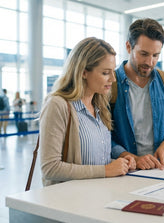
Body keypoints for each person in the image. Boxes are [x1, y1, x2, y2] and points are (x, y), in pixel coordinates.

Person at [39, 37, 136, 186]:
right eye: (105, 73)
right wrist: (106, 170)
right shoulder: (58, 105)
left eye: (113, 72)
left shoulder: (100, 107)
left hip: (97, 197)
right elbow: (50, 168)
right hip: (70, 202)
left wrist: (118, 164)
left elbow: (94, 163)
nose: (113, 79)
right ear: (83, 72)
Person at [111, 18, 164, 170]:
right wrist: (132, 158)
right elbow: (102, 137)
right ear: (128, 46)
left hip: (158, 169)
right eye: (144, 54)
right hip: (122, 171)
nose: (150, 62)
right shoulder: (110, 84)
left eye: (155, 55)